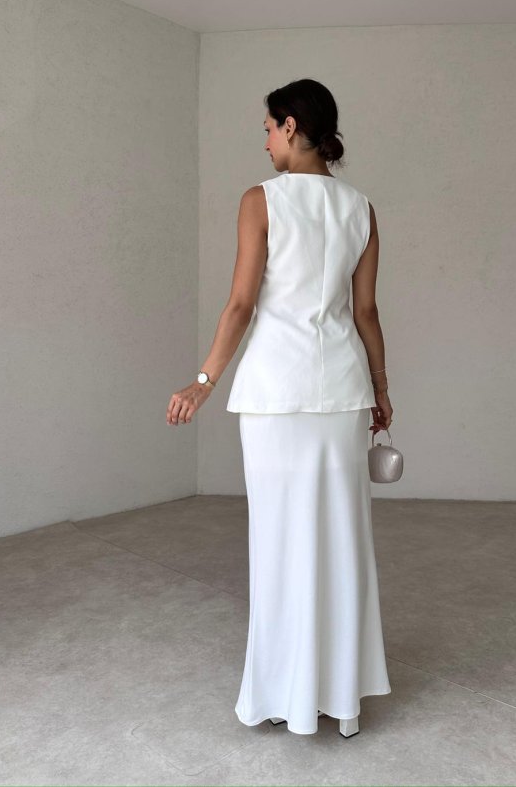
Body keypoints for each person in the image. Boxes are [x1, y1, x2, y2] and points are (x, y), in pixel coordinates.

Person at [166, 78, 393, 736]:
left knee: (279, 543)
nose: (265, 142)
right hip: (342, 390)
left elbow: (241, 304)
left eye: (268, 128)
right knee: (341, 541)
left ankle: (283, 695)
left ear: (291, 125)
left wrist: (203, 379)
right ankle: (341, 703)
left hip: (274, 392)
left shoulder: (260, 199)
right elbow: (366, 311)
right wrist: (381, 389)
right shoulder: (361, 207)